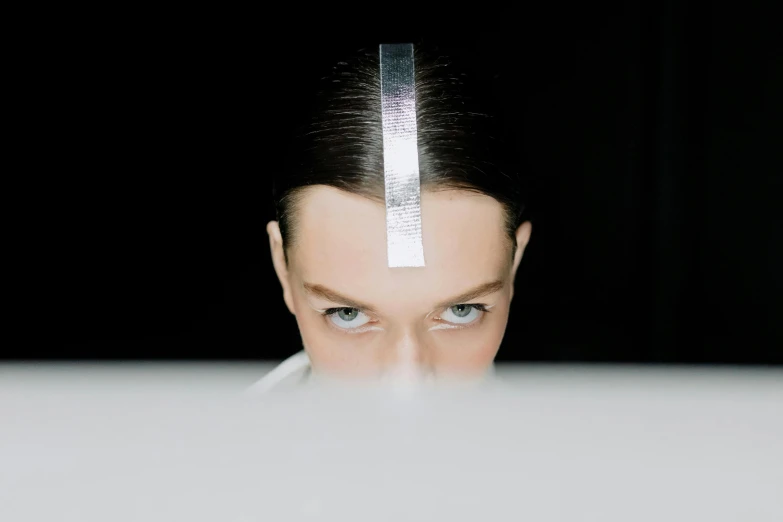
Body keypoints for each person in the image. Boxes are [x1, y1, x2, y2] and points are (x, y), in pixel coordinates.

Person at [249, 42, 532, 392]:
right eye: (347, 314)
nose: (406, 384)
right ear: (282, 265)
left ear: (515, 261)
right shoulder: (205, 446)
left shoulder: (574, 446)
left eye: (462, 310)